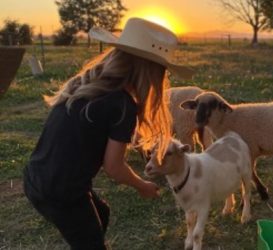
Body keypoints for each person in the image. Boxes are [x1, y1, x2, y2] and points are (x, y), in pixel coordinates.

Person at [23, 18, 194, 250]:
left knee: (101, 213)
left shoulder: (86, 84)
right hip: (63, 192)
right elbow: (113, 167)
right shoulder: (122, 104)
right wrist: (142, 185)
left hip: (36, 177)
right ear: (151, 73)